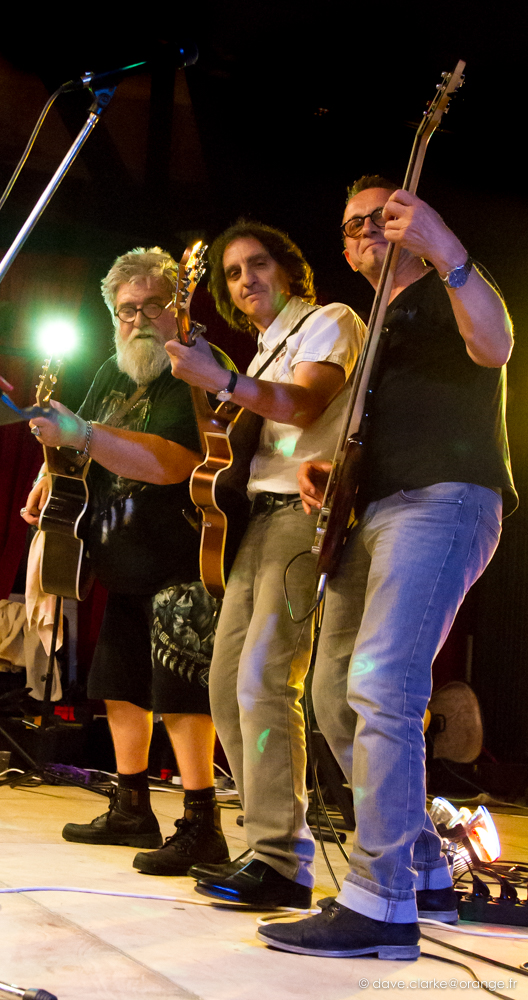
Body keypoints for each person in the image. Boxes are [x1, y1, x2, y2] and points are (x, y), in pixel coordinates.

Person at [257, 177, 516, 957]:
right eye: (353, 224)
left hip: (442, 499)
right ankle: (423, 868)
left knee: (381, 682)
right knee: (334, 690)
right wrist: (335, 471)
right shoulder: (375, 328)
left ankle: (381, 902)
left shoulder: (447, 287)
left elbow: (496, 346)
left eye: (384, 215)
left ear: (412, 224)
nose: (368, 228)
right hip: (371, 511)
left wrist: (447, 251)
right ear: (345, 250)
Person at [165, 220, 365, 904]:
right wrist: (211, 379)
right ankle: (264, 846)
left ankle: (282, 861)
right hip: (256, 520)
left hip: (303, 515)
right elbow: (231, 438)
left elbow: (304, 403)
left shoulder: (328, 320)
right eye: (232, 273)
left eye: (257, 263)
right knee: (225, 685)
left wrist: (222, 377)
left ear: (288, 267)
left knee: (265, 679)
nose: (246, 278)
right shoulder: (262, 351)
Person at [22, 247, 230, 876]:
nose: (139, 320)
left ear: (180, 309)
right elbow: (80, 439)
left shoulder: (198, 368)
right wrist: (49, 473)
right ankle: (132, 807)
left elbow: (174, 462)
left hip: (184, 554)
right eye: (126, 310)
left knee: (181, 689)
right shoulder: (112, 375)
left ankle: (202, 825)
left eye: (153, 305)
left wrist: (82, 435)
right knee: (119, 684)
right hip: (123, 553)